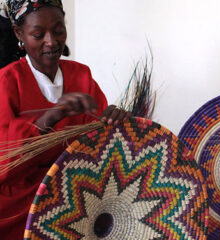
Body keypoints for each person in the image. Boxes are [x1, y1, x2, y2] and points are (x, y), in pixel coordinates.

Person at [0, 1, 130, 238]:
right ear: (19, 34)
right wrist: (53, 114)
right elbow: (5, 164)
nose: (51, 41)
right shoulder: (7, 82)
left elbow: (103, 145)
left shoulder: (81, 75)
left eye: (58, 31)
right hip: (22, 213)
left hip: (77, 204)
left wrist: (115, 121)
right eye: (38, 34)